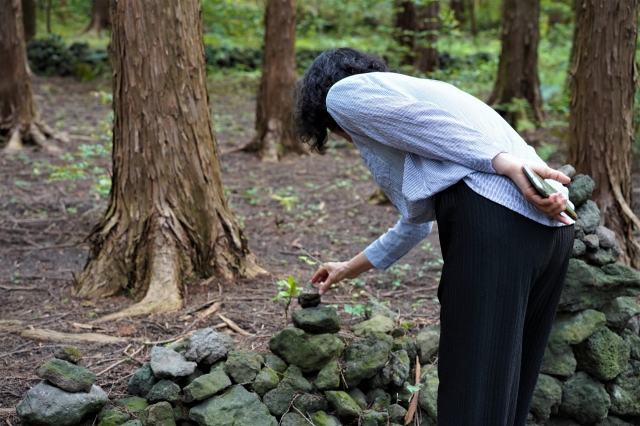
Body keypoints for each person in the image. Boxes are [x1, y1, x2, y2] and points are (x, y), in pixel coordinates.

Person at [292, 48, 574, 426]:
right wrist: (348, 267)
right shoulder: (424, 92)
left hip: (497, 222)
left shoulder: (342, 94)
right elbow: (416, 221)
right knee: (508, 396)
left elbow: (428, 123)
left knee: (473, 391)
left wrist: (507, 165)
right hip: (552, 229)